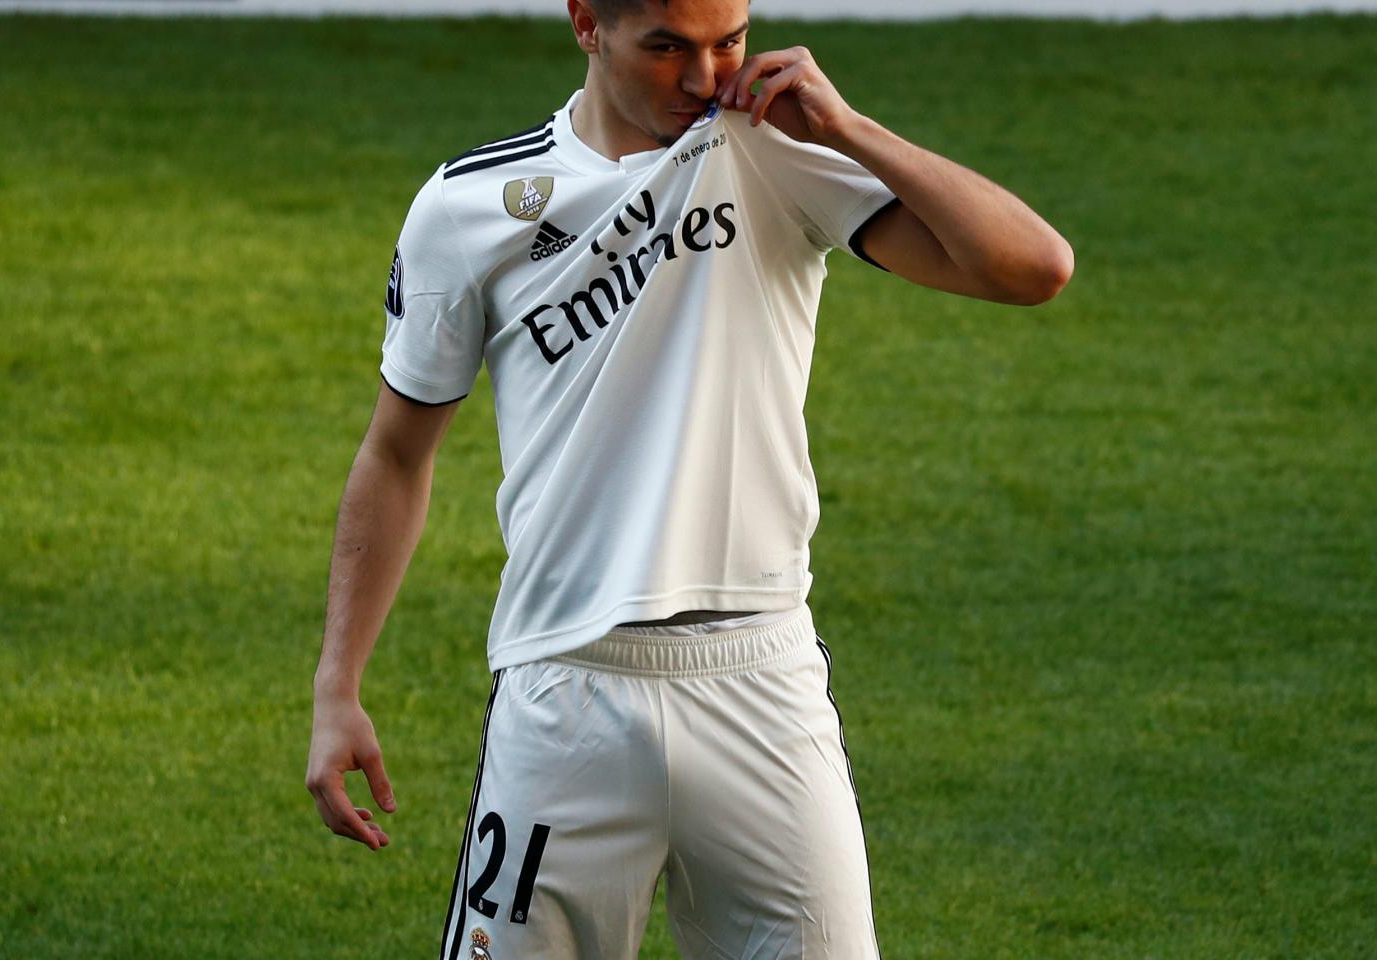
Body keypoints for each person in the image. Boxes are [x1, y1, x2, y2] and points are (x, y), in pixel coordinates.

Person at [307, 0, 1073, 956]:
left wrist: (848, 128)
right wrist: (338, 685)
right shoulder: (471, 204)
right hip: (566, 687)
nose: (706, 80)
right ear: (587, 22)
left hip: (763, 682)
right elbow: (396, 453)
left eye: (729, 42)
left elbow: (1034, 268)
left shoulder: (776, 155)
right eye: (667, 47)